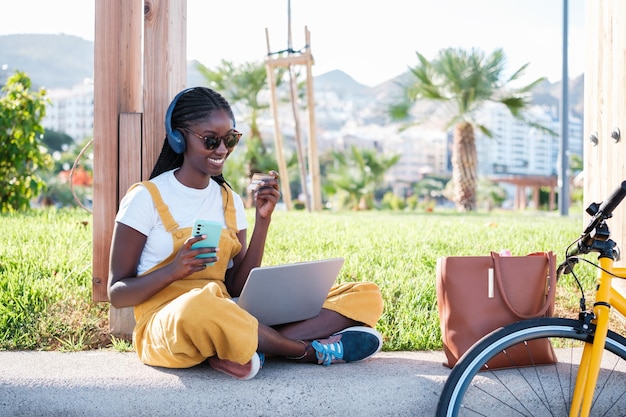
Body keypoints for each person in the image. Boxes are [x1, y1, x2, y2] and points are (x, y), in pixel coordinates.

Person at [108, 87, 384, 380]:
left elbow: (237, 287)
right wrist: (175, 270)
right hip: (169, 324)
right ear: (179, 137)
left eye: (229, 139)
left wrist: (262, 221)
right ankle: (305, 351)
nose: (222, 150)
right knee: (203, 305)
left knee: (365, 295)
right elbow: (118, 294)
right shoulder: (145, 197)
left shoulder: (229, 200)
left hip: (227, 309)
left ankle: (249, 348)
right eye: (211, 140)